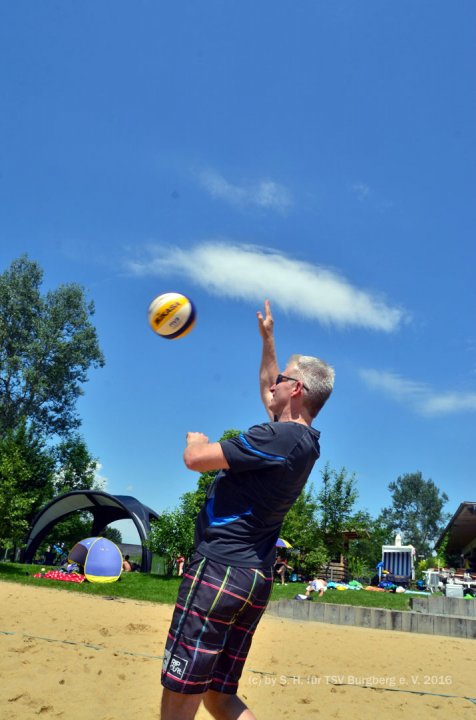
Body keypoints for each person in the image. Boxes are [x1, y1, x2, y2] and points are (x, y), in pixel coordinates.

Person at [160, 299, 335, 720]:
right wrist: (269, 339)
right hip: (252, 576)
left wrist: (193, 441)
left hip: (219, 571)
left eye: (282, 379)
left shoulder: (276, 438)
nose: (272, 384)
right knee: (218, 697)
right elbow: (266, 387)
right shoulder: (300, 442)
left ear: (295, 389)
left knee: (180, 693)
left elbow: (195, 460)